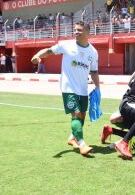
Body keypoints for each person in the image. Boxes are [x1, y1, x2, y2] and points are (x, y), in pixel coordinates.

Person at [31, 21, 100, 156]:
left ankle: (72, 137)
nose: (76, 32)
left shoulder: (93, 52)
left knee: (82, 116)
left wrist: (98, 88)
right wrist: (37, 55)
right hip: (68, 87)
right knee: (76, 114)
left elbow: (94, 71)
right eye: (75, 30)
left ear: (88, 32)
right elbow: (49, 51)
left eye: (79, 30)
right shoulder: (66, 45)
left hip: (83, 89)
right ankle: (82, 144)